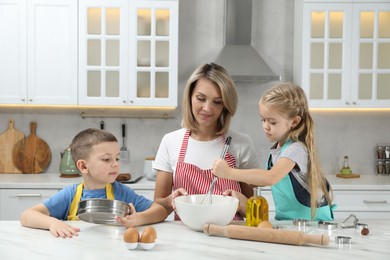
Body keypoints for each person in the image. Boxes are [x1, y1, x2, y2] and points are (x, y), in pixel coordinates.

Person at [213, 82, 335, 221]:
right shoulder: (279, 149)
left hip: (312, 224)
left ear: (294, 122)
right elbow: (271, 178)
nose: (265, 126)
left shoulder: (296, 149)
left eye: (272, 122)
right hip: (289, 222)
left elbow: (271, 177)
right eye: (263, 119)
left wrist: (229, 173)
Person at [153, 63, 261, 220]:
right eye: (201, 98)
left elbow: (256, 215)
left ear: (225, 105)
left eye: (217, 102)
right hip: (186, 239)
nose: (207, 108)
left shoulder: (241, 144)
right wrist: (171, 200)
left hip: (230, 239)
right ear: (190, 96)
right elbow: (158, 206)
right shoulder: (170, 142)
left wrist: (241, 203)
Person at [20, 128, 167, 238]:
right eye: (106, 159)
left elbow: (160, 211)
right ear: (83, 166)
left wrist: (137, 219)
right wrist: (53, 222)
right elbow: (27, 215)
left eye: (117, 158)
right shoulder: (70, 195)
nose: (115, 164)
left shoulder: (121, 192)